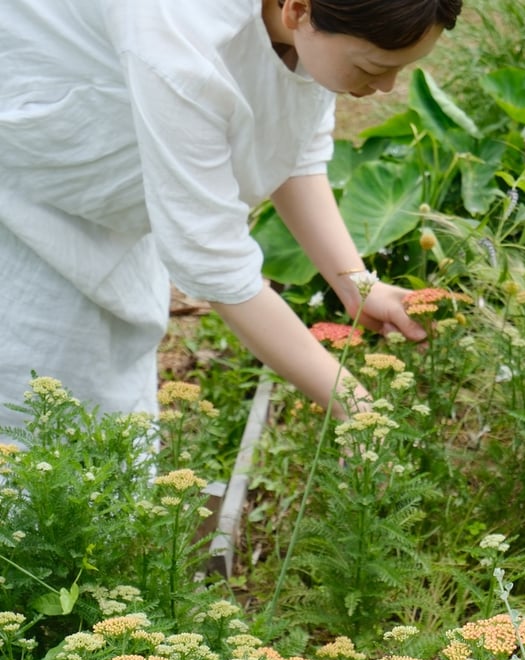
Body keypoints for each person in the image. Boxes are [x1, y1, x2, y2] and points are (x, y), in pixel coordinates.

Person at [0, 0, 461, 432]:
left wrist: (357, 286)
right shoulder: (178, 31)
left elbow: (292, 150)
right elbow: (214, 260)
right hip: (24, 184)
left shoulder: (315, 23)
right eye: (373, 68)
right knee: (30, 403)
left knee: (100, 413)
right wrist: (351, 401)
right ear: (298, 8)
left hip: (99, 193)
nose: (386, 88)